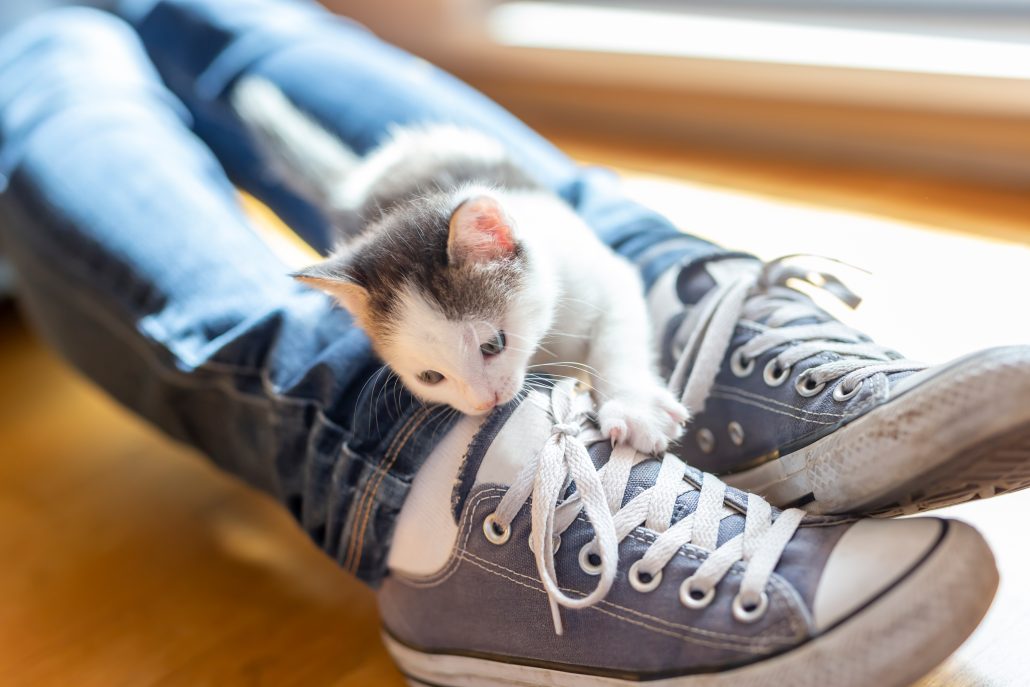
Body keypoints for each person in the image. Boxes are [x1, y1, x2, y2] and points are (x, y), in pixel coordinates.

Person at [0, 1, 1022, 684]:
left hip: (511, 265)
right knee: (55, 47)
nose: (481, 385)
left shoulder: (488, 259)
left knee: (206, 12)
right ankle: (396, 459)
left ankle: (673, 301)